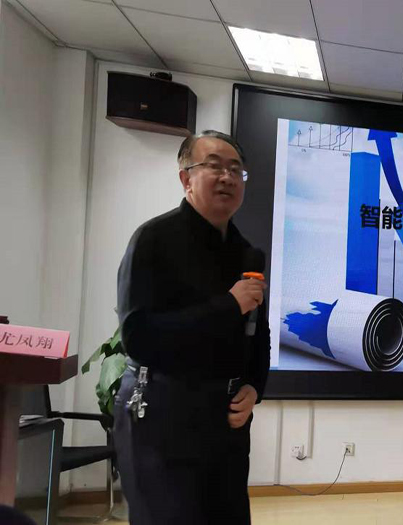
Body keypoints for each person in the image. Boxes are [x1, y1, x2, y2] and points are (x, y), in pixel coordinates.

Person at [113, 130, 270, 525]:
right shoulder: (153, 240)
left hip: (225, 425)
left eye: (236, 170)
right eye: (214, 166)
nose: (228, 177)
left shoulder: (247, 253)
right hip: (162, 418)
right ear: (186, 177)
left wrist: (254, 386)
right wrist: (228, 305)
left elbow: (259, 334)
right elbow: (139, 337)